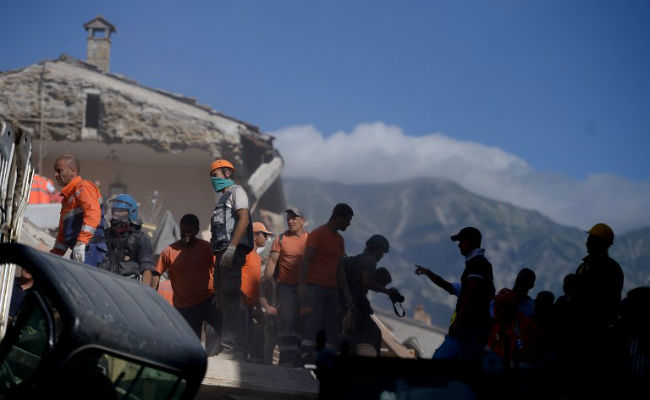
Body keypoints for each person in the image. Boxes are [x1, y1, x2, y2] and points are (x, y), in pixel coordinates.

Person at [418, 227, 495, 360]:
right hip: (468, 332)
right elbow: (450, 287)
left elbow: (470, 295)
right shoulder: (476, 265)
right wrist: (428, 272)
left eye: (461, 241)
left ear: (470, 242)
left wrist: (457, 323)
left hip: (468, 332)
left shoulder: (477, 264)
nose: (459, 245)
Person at [153, 214, 220, 355]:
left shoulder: (206, 248)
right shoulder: (169, 251)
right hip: (185, 305)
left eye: (190, 230)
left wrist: (220, 292)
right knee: (191, 341)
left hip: (208, 299)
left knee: (216, 332)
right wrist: (151, 294)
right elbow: (156, 273)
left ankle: (214, 359)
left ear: (197, 230)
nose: (186, 233)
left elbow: (219, 268)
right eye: (183, 229)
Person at [209, 159, 254, 358]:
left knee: (232, 296)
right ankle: (226, 344)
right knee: (221, 299)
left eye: (216, 175)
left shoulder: (237, 192)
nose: (213, 179)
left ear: (227, 173)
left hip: (232, 252)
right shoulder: (221, 198)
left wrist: (232, 247)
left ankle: (233, 349)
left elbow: (243, 218)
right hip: (221, 253)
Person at [299, 203, 354, 363]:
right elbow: (305, 260)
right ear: (338, 217)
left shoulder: (339, 241)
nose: (348, 224)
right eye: (347, 220)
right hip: (314, 287)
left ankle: (325, 357)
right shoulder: (318, 235)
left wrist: (346, 292)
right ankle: (306, 357)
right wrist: (302, 285)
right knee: (312, 322)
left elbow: (340, 269)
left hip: (331, 289)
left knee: (331, 324)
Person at [260, 207, 309, 366]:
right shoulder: (280, 239)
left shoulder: (310, 240)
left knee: (302, 323)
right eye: (289, 218)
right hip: (285, 288)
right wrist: (269, 287)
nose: (291, 221)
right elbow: (271, 264)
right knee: (286, 322)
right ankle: (286, 359)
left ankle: (298, 360)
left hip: (305, 288)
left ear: (303, 220)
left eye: (295, 218)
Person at [342, 234, 398, 355]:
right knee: (375, 333)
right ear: (376, 249)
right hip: (354, 305)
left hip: (347, 302)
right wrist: (387, 291)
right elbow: (366, 282)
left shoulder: (360, 258)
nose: (382, 256)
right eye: (382, 252)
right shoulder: (370, 260)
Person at [49, 155, 106, 267]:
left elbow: (92, 214)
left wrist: (82, 242)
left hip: (89, 248)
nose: (55, 175)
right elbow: (63, 233)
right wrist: (54, 256)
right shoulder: (67, 198)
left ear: (72, 171)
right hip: (81, 248)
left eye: (59, 170)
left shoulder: (83, 188)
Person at [98, 194, 154, 285]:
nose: (115, 213)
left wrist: (144, 292)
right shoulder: (105, 234)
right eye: (114, 209)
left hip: (125, 290)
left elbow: (146, 269)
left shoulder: (140, 240)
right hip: (102, 285)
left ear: (131, 212)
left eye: (120, 210)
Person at [240, 221, 272, 362]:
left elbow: (255, 285)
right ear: (254, 236)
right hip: (239, 304)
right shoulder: (244, 253)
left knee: (248, 338)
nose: (266, 238)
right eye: (264, 235)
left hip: (248, 306)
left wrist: (257, 307)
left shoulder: (256, 258)